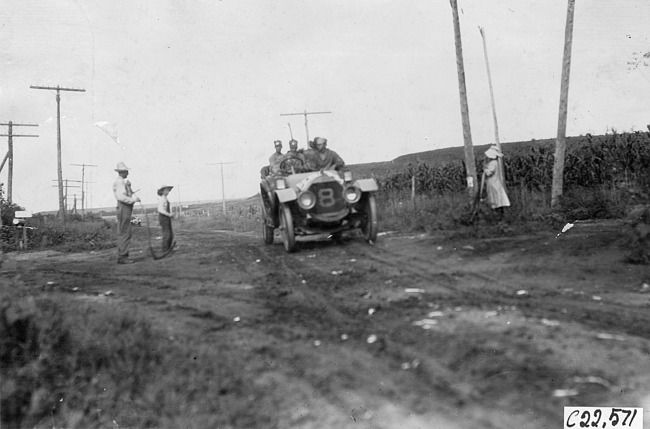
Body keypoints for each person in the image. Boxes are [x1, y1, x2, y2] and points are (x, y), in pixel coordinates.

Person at [113, 162, 141, 264]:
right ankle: (123, 257)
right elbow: (121, 197)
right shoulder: (120, 182)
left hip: (125, 208)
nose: (128, 173)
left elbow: (127, 194)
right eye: (127, 171)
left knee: (124, 231)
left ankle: (123, 256)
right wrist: (133, 200)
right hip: (124, 207)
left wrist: (129, 187)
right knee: (124, 232)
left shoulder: (122, 182)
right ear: (122, 172)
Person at [483, 145, 510, 218]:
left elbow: (489, 173)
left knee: (495, 199)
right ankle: (499, 216)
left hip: (493, 182)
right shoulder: (494, 162)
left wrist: (485, 170)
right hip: (494, 182)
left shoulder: (493, 163)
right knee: (497, 199)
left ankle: (498, 216)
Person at [157, 185, 174, 252]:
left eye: (168, 190)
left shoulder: (166, 199)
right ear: (162, 191)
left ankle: (168, 247)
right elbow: (160, 209)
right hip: (163, 217)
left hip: (167, 217)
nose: (168, 192)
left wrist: (171, 214)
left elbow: (168, 208)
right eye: (166, 190)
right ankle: (165, 249)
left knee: (170, 233)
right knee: (167, 233)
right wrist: (168, 214)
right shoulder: (162, 199)